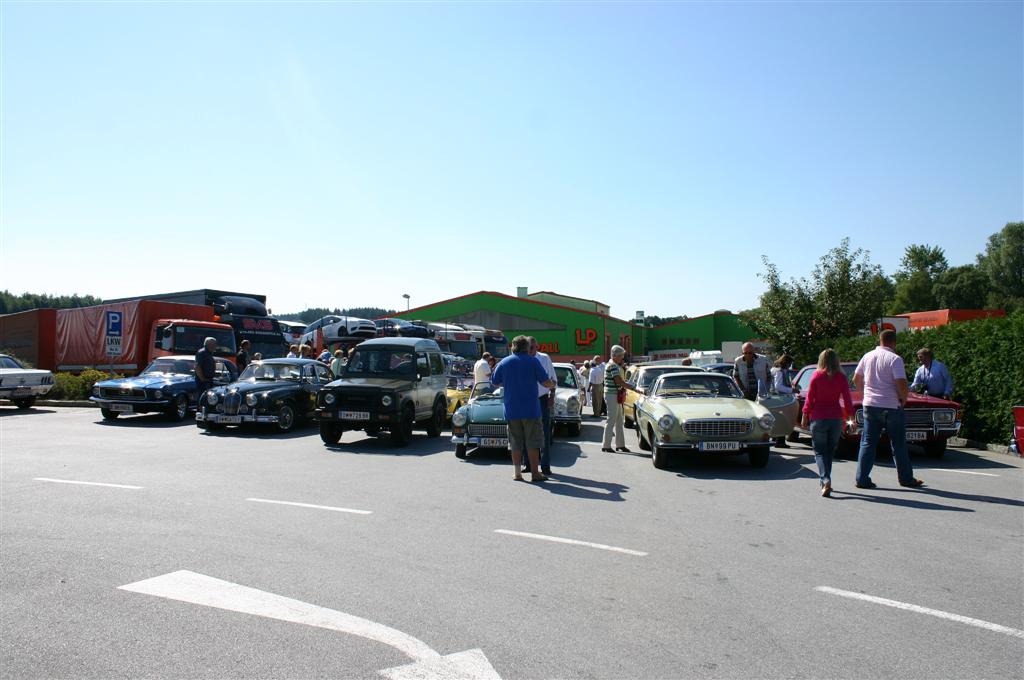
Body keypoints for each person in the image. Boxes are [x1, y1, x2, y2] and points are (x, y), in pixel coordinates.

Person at [854, 329, 924, 489]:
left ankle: (862, 478)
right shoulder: (895, 359)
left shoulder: (867, 356)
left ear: (880, 340)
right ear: (894, 342)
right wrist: (904, 399)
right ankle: (906, 478)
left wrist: (865, 393)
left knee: (868, 442)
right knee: (898, 443)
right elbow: (901, 383)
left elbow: (856, 378)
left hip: (871, 405)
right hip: (891, 405)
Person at [490, 335, 555, 482]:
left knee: (515, 443)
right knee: (532, 442)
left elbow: (495, 382)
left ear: (513, 347)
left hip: (512, 408)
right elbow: (545, 382)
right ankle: (535, 473)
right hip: (531, 409)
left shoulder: (504, 362)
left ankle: (517, 473)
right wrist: (552, 384)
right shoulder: (533, 361)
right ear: (526, 347)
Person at [801, 349, 854, 497]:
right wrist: (851, 418)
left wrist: (805, 414)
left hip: (818, 417)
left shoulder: (816, 376)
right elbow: (847, 400)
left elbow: (810, 398)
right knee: (830, 451)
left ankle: (825, 480)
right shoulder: (841, 378)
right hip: (836, 418)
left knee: (819, 451)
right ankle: (825, 480)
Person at [602, 345, 639, 453]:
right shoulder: (613, 366)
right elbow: (619, 381)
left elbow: (620, 381)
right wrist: (632, 387)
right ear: (615, 355)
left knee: (618, 420)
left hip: (614, 394)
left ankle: (620, 445)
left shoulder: (613, 365)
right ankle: (606, 445)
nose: (622, 358)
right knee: (612, 420)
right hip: (612, 394)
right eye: (621, 356)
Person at [528, 337, 557, 475]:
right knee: (527, 432)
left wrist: (552, 396)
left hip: (542, 399)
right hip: (526, 399)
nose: (532, 350)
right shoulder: (522, 359)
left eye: (534, 347)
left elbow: (553, 380)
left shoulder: (545, 358)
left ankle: (545, 465)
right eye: (530, 347)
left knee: (544, 432)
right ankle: (528, 464)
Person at [770, 353, 794, 448]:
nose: (789, 366)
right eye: (789, 364)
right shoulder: (779, 371)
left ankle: (775, 439)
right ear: (786, 363)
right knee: (783, 420)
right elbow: (778, 386)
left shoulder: (774, 369)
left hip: (773, 397)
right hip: (780, 398)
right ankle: (780, 441)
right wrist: (792, 390)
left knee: (776, 419)